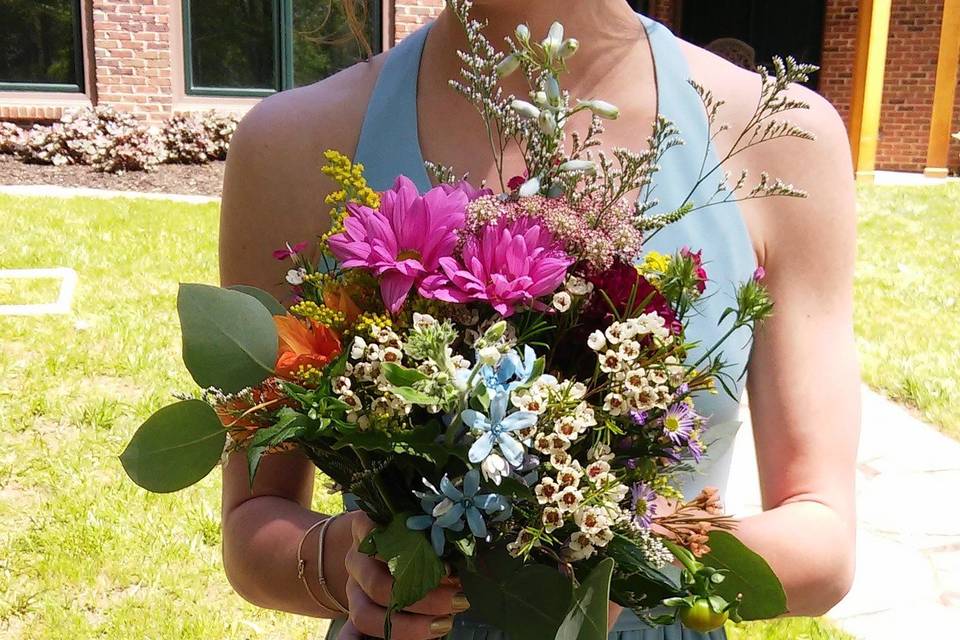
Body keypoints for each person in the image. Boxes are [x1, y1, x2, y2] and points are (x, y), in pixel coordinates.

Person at [218, 1, 860, 638]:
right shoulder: (294, 140)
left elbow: (823, 534)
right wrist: (350, 565)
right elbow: (254, 519)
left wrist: (631, 555)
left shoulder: (780, 138)